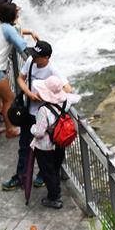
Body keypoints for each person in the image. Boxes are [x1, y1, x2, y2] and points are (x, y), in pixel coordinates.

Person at [2, 41, 72, 192]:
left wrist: (48, 98)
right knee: (24, 146)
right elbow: (21, 78)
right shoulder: (31, 61)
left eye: (37, 56)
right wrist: (29, 94)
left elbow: (68, 89)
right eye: (33, 54)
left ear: (46, 57)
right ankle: (21, 176)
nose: (33, 57)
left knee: (43, 150)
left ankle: (42, 176)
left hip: (43, 116)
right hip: (28, 111)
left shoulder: (53, 70)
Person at [29, 76, 80, 209]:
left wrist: (32, 128)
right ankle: (55, 187)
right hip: (59, 143)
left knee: (47, 171)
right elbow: (77, 97)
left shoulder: (43, 110)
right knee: (55, 167)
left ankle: (54, 198)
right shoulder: (66, 102)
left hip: (45, 147)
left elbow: (39, 132)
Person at [0, 2, 28, 138]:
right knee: (9, 99)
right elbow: (21, 45)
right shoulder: (8, 29)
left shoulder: (1, 25)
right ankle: (10, 129)